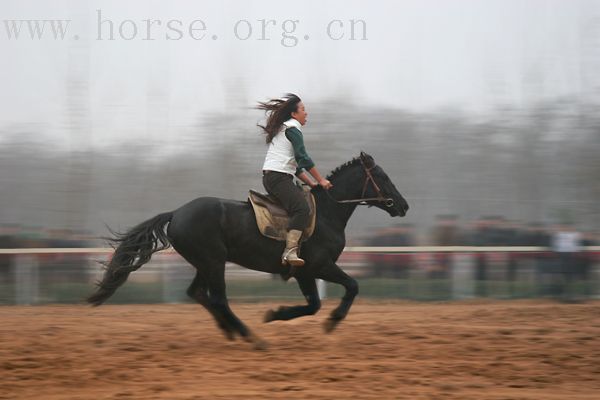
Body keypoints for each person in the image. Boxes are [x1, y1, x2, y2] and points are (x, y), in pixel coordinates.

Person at [257, 93, 333, 267]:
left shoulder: (285, 129)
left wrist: (312, 183)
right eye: (303, 110)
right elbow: (303, 158)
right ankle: (290, 251)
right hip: (278, 178)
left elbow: (296, 167)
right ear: (294, 114)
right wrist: (321, 180)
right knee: (301, 209)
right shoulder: (293, 128)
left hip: (275, 176)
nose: (306, 113)